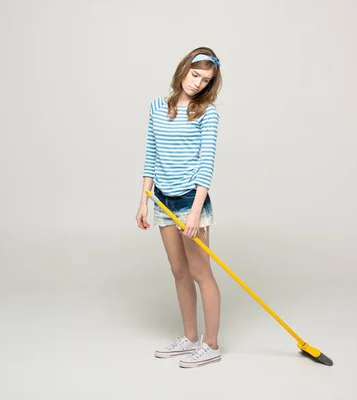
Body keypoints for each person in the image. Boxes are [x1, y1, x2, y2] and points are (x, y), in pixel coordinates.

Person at [136, 47, 223, 368]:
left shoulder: (207, 112)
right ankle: (189, 338)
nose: (198, 83)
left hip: (191, 201)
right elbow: (151, 154)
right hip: (161, 199)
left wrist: (197, 212)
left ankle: (211, 344)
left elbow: (206, 165)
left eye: (206, 79)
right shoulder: (158, 108)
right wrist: (143, 200)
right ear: (183, 70)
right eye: (195, 74)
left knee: (201, 272)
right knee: (179, 271)